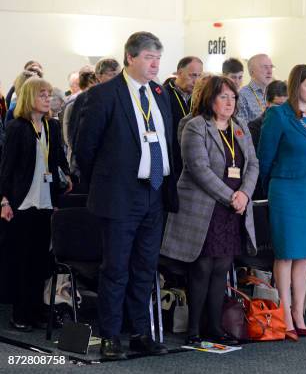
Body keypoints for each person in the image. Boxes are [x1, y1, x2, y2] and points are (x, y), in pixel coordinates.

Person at [76, 31, 178, 360]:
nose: (155, 64)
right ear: (130, 57)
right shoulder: (105, 95)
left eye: (158, 59)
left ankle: (140, 333)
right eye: (149, 58)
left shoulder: (160, 93)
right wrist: (105, 183)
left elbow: (166, 140)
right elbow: (85, 149)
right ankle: (110, 336)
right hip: (119, 194)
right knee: (116, 268)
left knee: (146, 268)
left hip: (154, 193)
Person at [161, 76, 258, 346]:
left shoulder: (240, 128)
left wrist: (245, 195)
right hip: (205, 208)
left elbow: (253, 165)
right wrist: (231, 196)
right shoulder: (195, 126)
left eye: (233, 97)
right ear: (210, 99)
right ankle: (194, 329)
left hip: (233, 209)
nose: (229, 102)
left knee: (222, 268)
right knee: (202, 268)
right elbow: (198, 169)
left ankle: (214, 327)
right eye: (223, 97)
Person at [258, 64, 306, 340]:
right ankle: (284, 314)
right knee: (286, 253)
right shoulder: (278, 115)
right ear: (296, 85)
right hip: (285, 187)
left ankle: (300, 313)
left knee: (305, 254)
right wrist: (269, 187)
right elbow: (264, 157)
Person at [0, 77, 71, 331]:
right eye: (42, 94)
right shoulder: (18, 127)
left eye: (49, 94)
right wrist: (4, 200)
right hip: (21, 203)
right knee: (22, 261)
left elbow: (58, 160)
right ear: (30, 97)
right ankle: (20, 313)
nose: (47, 99)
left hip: (45, 202)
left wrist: (65, 178)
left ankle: (37, 310)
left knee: (41, 262)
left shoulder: (51, 125)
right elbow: (6, 167)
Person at [164, 56, 204, 175]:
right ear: (179, 73)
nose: (196, 81)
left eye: (199, 76)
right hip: (172, 156)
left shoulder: (200, 97)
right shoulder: (163, 94)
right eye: (192, 75)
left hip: (194, 156)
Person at [248, 79, 287, 152]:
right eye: (278, 105)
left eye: (286, 105)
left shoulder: (293, 123)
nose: (282, 110)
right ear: (267, 102)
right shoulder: (254, 126)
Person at [237, 54, 274, 122]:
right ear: (252, 72)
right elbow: (242, 128)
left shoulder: (275, 92)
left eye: (271, 67)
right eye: (265, 67)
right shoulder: (242, 95)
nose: (270, 72)